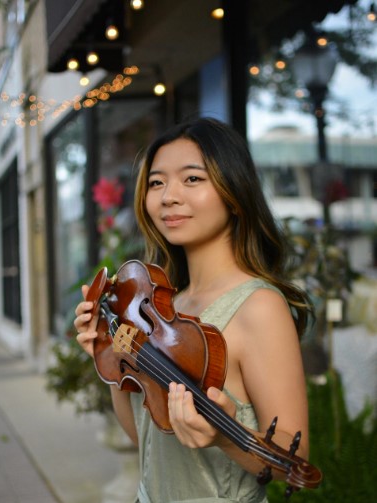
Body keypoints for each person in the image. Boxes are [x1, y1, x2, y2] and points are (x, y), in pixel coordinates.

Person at [74, 117, 312, 503]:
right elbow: (148, 441)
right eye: (156, 182)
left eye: (192, 179)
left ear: (233, 193)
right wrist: (109, 354)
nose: (168, 196)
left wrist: (223, 436)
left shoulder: (259, 306)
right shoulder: (169, 304)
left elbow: (294, 459)